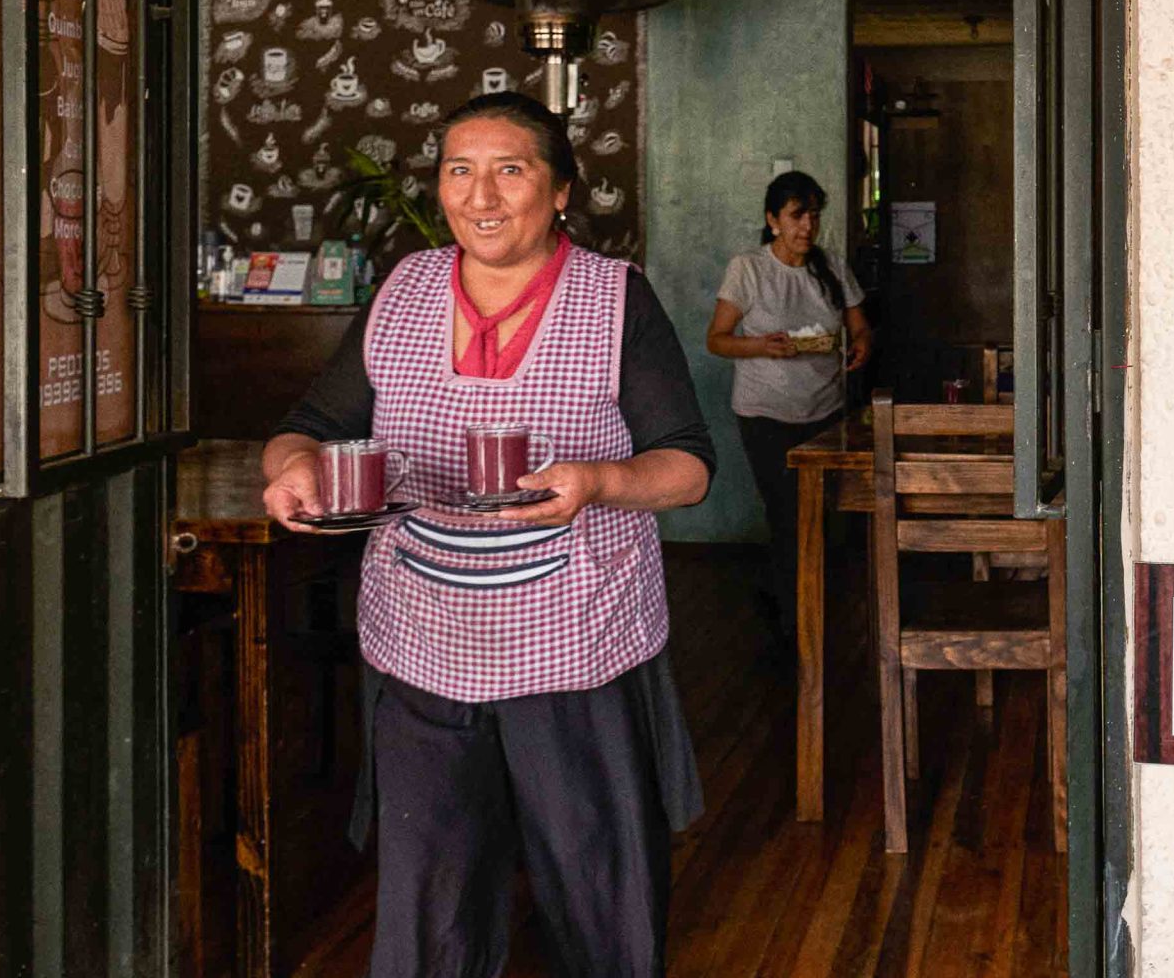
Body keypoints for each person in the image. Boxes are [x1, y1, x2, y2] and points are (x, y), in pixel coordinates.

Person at [260, 91, 712, 977]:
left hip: (574, 639)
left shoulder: (616, 299)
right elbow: (310, 420)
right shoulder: (407, 288)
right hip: (423, 633)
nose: (482, 195)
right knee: (431, 897)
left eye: (512, 169)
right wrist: (293, 468)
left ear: (561, 191)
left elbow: (689, 466)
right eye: (460, 171)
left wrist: (599, 482)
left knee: (597, 886)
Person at [705, 171, 871, 650]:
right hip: (766, 414)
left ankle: (815, 610)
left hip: (826, 409)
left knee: (828, 516)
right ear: (772, 220)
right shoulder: (749, 268)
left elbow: (861, 327)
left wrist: (860, 345)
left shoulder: (831, 266)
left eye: (814, 215)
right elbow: (716, 340)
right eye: (797, 215)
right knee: (787, 515)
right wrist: (762, 345)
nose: (808, 226)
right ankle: (792, 625)